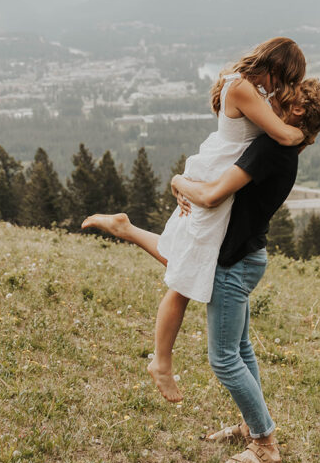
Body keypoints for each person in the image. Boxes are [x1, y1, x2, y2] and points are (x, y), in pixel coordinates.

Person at [83, 78, 320, 463]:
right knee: (240, 348)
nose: (272, 98)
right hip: (242, 256)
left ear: (299, 110)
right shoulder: (279, 143)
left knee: (223, 359)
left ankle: (265, 444)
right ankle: (253, 425)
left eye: (285, 94)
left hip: (235, 262)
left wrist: (178, 180)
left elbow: (213, 194)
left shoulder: (271, 148)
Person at [85, 37, 307, 402]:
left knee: (188, 259)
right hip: (214, 184)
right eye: (285, 79)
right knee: (185, 277)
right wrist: (307, 132)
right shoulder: (244, 87)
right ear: (273, 67)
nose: (283, 88)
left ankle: (125, 228)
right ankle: (161, 361)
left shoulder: (248, 86)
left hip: (220, 178)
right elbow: (282, 134)